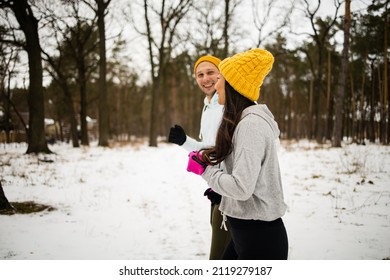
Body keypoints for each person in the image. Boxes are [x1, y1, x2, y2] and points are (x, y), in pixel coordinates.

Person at [186, 48, 288, 260]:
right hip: (245, 229)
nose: (215, 82)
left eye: (220, 77)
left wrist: (207, 172)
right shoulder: (241, 121)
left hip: (260, 237)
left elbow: (242, 187)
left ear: (233, 85)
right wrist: (207, 158)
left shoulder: (251, 125)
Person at [168, 55, 232, 259]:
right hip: (218, 188)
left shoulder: (230, 104)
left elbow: (235, 150)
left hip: (232, 192)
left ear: (222, 73)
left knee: (220, 258)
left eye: (210, 72)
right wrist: (184, 141)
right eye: (200, 75)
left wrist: (223, 187)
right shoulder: (208, 105)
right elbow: (209, 149)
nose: (205, 79)